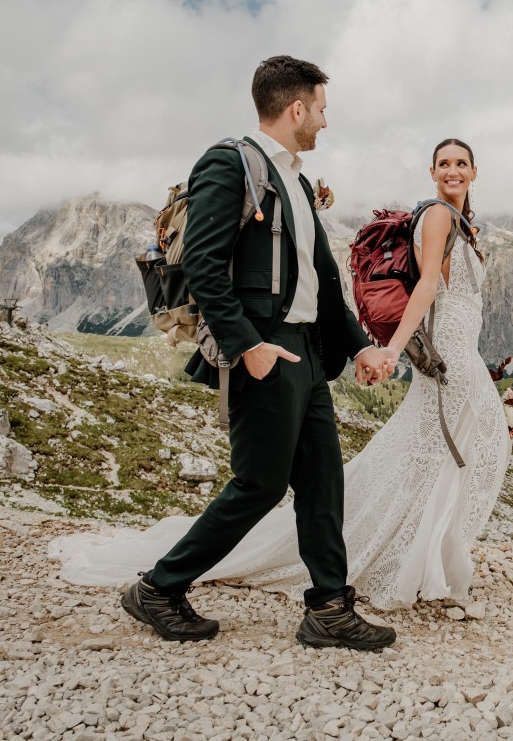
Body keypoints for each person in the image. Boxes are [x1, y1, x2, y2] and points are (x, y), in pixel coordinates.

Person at [51, 137, 511, 619]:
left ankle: (345, 596)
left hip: (402, 351)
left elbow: (334, 283)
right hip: (363, 353)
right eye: (444, 163)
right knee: (272, 483)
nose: (453, 170)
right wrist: (391, 348)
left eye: (461, 163)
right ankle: (164, 585)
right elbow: (427, 286)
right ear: (432, 171)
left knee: (358, 473)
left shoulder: (449, 220)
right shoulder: (435, 214)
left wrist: (364, 347)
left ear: (475, 172)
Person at [115, 55, 399, 651]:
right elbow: (203, 266)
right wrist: (248, 348)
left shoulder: (295, 182)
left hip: (305, 351)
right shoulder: (228, 165)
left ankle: (328, 607)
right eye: (321, 109)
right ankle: (159, 588)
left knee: (323, 479)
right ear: (296, 108)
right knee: (260, 485)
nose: (325, 121)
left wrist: (360, 348)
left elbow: (320, 278)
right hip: (263, 350)